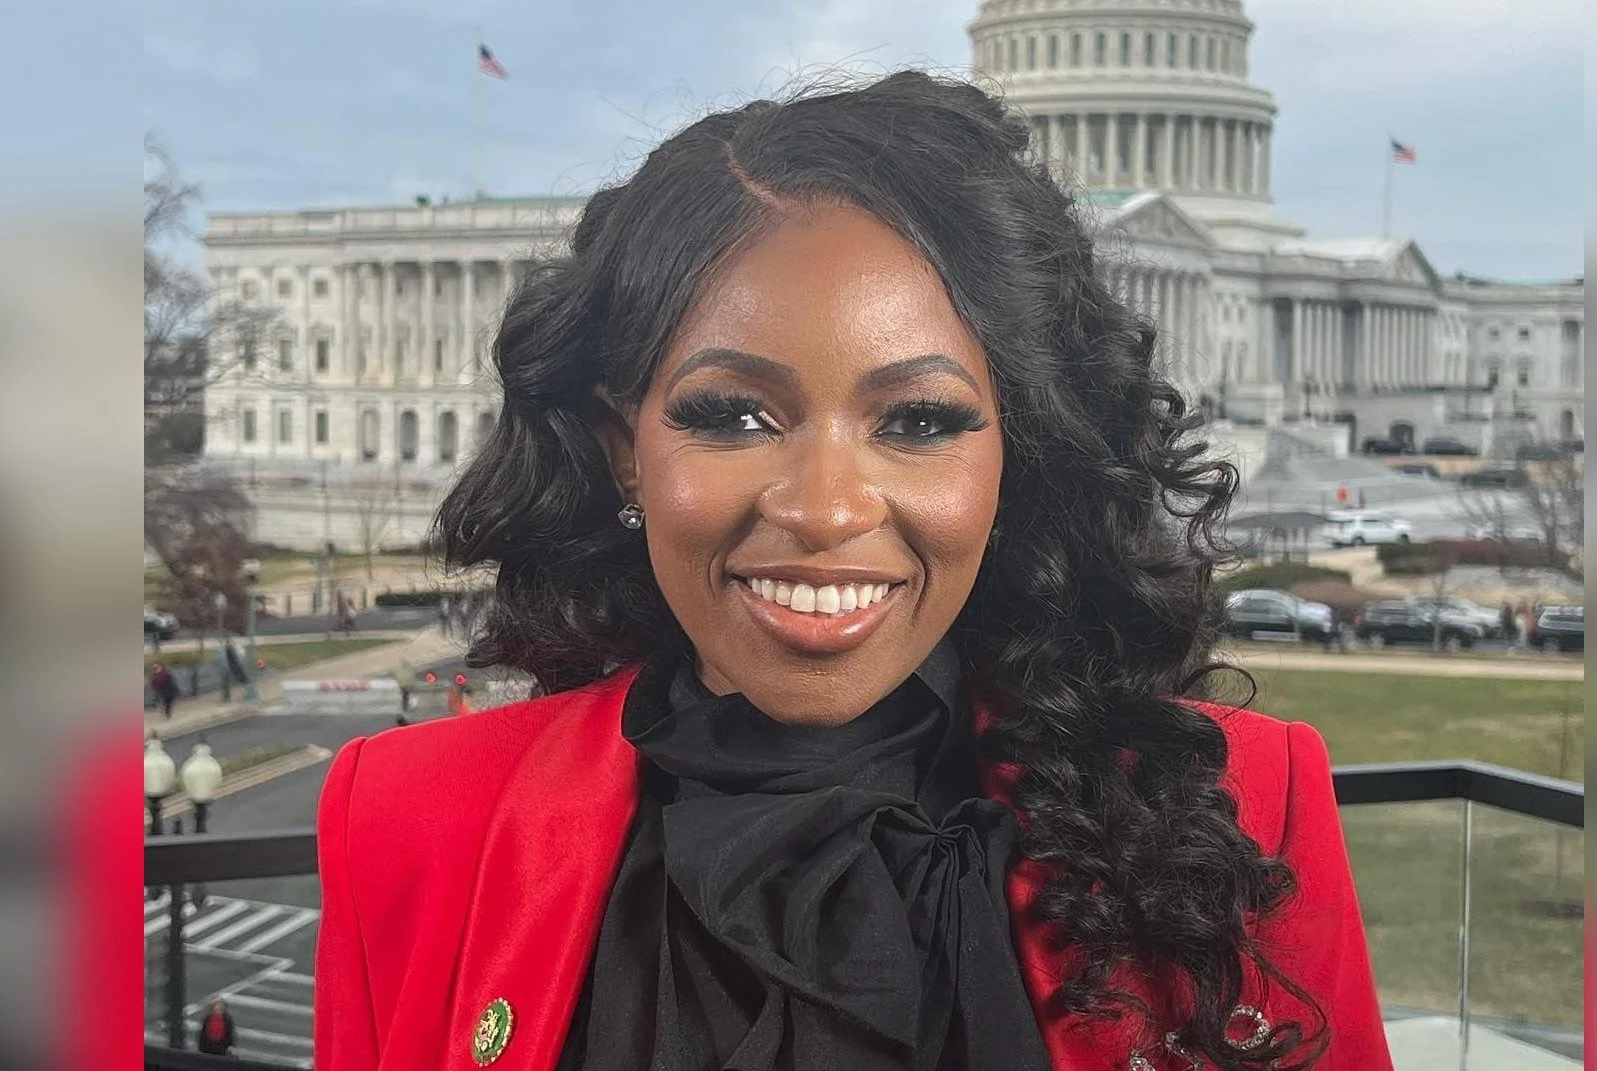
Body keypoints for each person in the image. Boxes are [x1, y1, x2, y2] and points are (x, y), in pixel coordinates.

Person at [315, 73, 1390, 1071]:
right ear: (621, 447)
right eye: (733, 415)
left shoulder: (1244, 807)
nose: (825, 510)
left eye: (918, 421)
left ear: (1015, 458)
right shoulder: (408, 820)